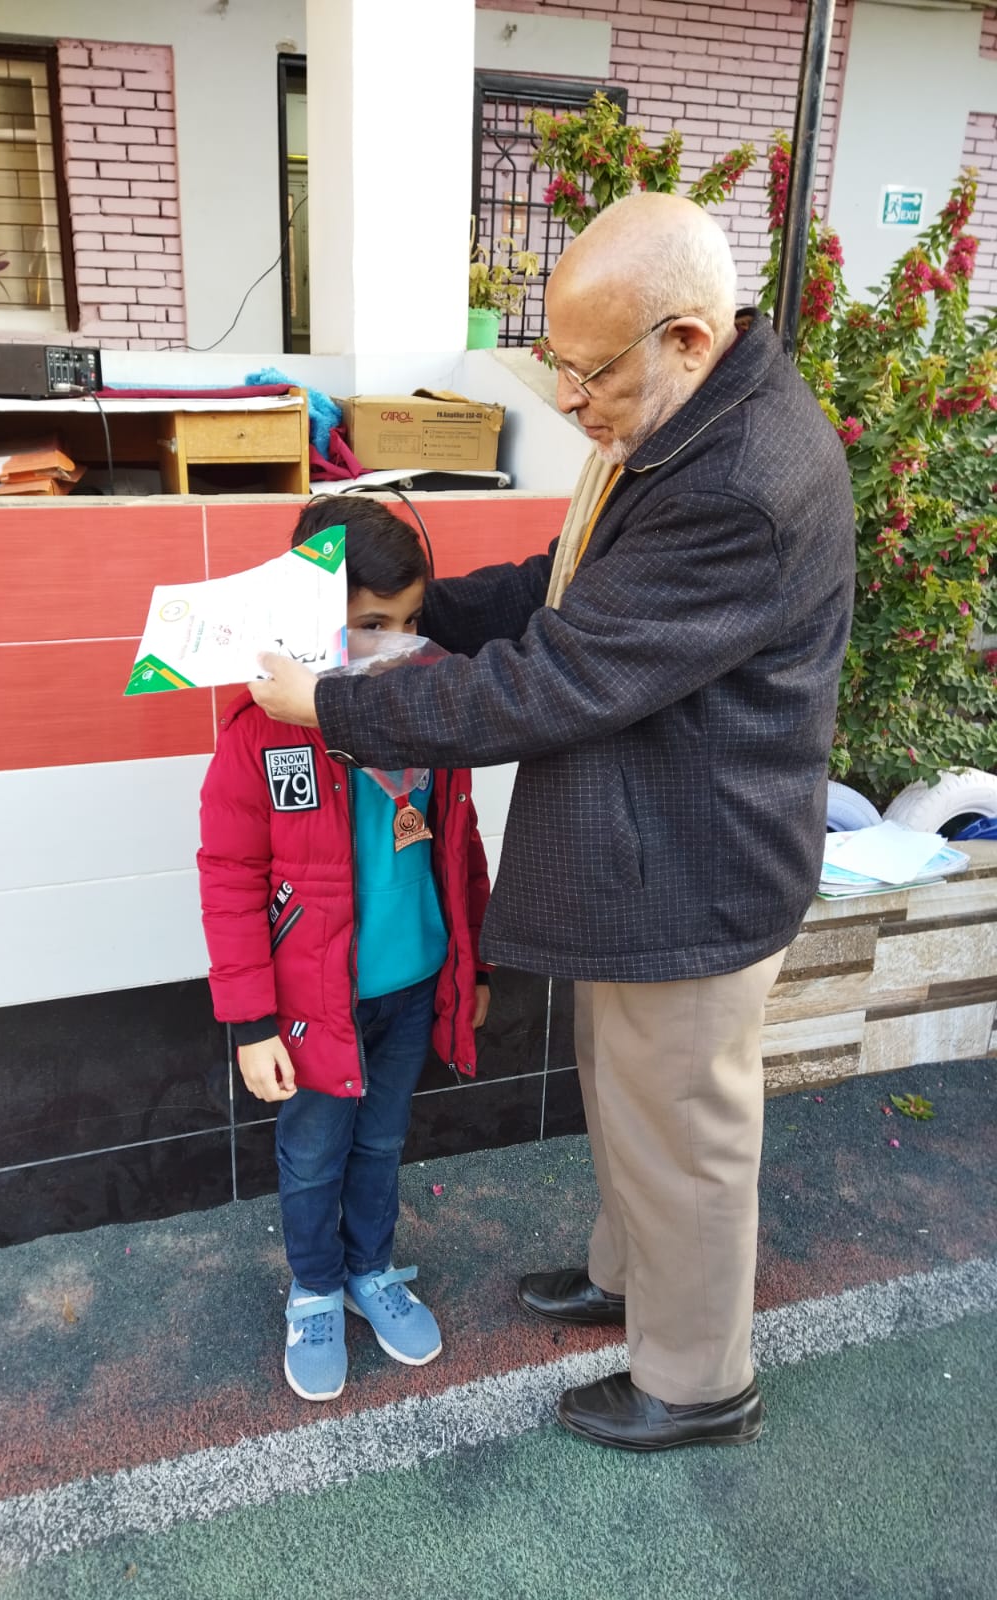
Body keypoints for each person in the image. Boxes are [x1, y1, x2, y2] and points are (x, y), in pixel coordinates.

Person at [248, 192, 856, 1450]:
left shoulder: (738, 483)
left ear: (687, 338)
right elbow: (566, 592)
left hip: (695, 871)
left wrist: (338, 700)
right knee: (632, 1104)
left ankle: (698, 1383)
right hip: (648, 857)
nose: (571, 403)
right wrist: (416, 611)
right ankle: (633, 1280)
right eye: (558, 369)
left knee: (685, 1136)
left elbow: (557, 678)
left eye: (589, 377)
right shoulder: (682, 419)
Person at [198, 495, 491, 1403]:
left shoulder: (428, 714)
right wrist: (251, 1023)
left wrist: (473, 966)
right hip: (311, 1004)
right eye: (371, 624)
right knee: (314, 1153)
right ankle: (316, 1289)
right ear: (313, 616)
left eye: (408, 623)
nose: (394, 646)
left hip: (413, 982)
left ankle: (369, 1269)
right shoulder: (261, 736)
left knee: (383, 1142)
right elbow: (229, 878)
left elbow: (460, 844)